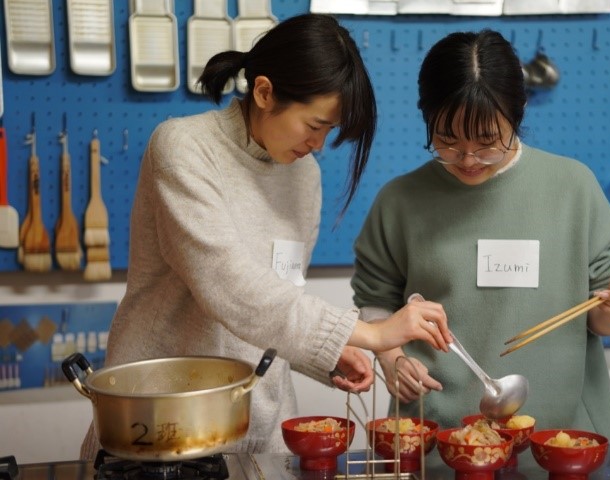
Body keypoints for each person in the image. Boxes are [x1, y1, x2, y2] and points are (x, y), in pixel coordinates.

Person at [79, 13, 453, 459]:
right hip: (159, 425)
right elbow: (230, 286)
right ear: (263, 91)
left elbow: (276, 300)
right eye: (314, 125)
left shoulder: (304, 176)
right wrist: (367, 333)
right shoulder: (182, 149)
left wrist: (324, 354)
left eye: (328, 132)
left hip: (262, 430)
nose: (318, 145)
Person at [351, 29, 610, 444]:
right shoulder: (400, 200)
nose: (469, 159)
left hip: (564, 443)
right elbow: (375, 299)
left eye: (489, 142)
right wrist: (391, 357)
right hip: (436, 441)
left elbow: (601, 316)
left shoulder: (573, 188)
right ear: (427, 118)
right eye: (447, 142)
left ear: (519, 112)